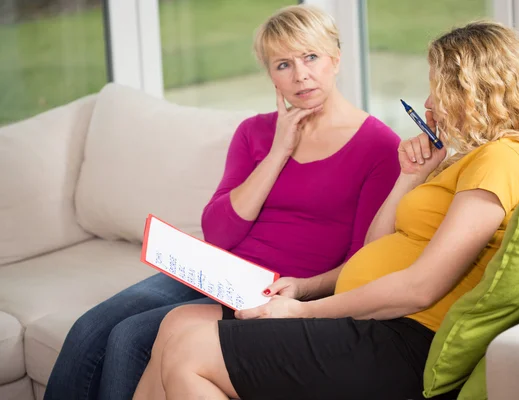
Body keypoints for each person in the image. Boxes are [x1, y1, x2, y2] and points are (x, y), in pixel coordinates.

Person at [146, 20, 519, 400]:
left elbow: (421, 288)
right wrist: (410, 175)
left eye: (438, 86)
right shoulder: (466, 159)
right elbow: (375, 247)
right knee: (177, 328)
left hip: (400, 336)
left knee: (189, 354)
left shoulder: (501, 160)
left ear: (469, 90)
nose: (430, 99)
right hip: (373, 320)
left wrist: (301, 310)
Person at [44, 5, 401, 400]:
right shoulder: (255, 132)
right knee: (89, 328)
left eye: (311, 57)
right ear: (270, 75)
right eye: (283, 64)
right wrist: (278, 152)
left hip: (281, 289)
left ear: (335, 59)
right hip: (217, 269)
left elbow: (362, 260)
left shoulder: (380, 147)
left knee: (129, 337)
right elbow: (219, 230)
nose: (300, 74)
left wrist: (300, 290)